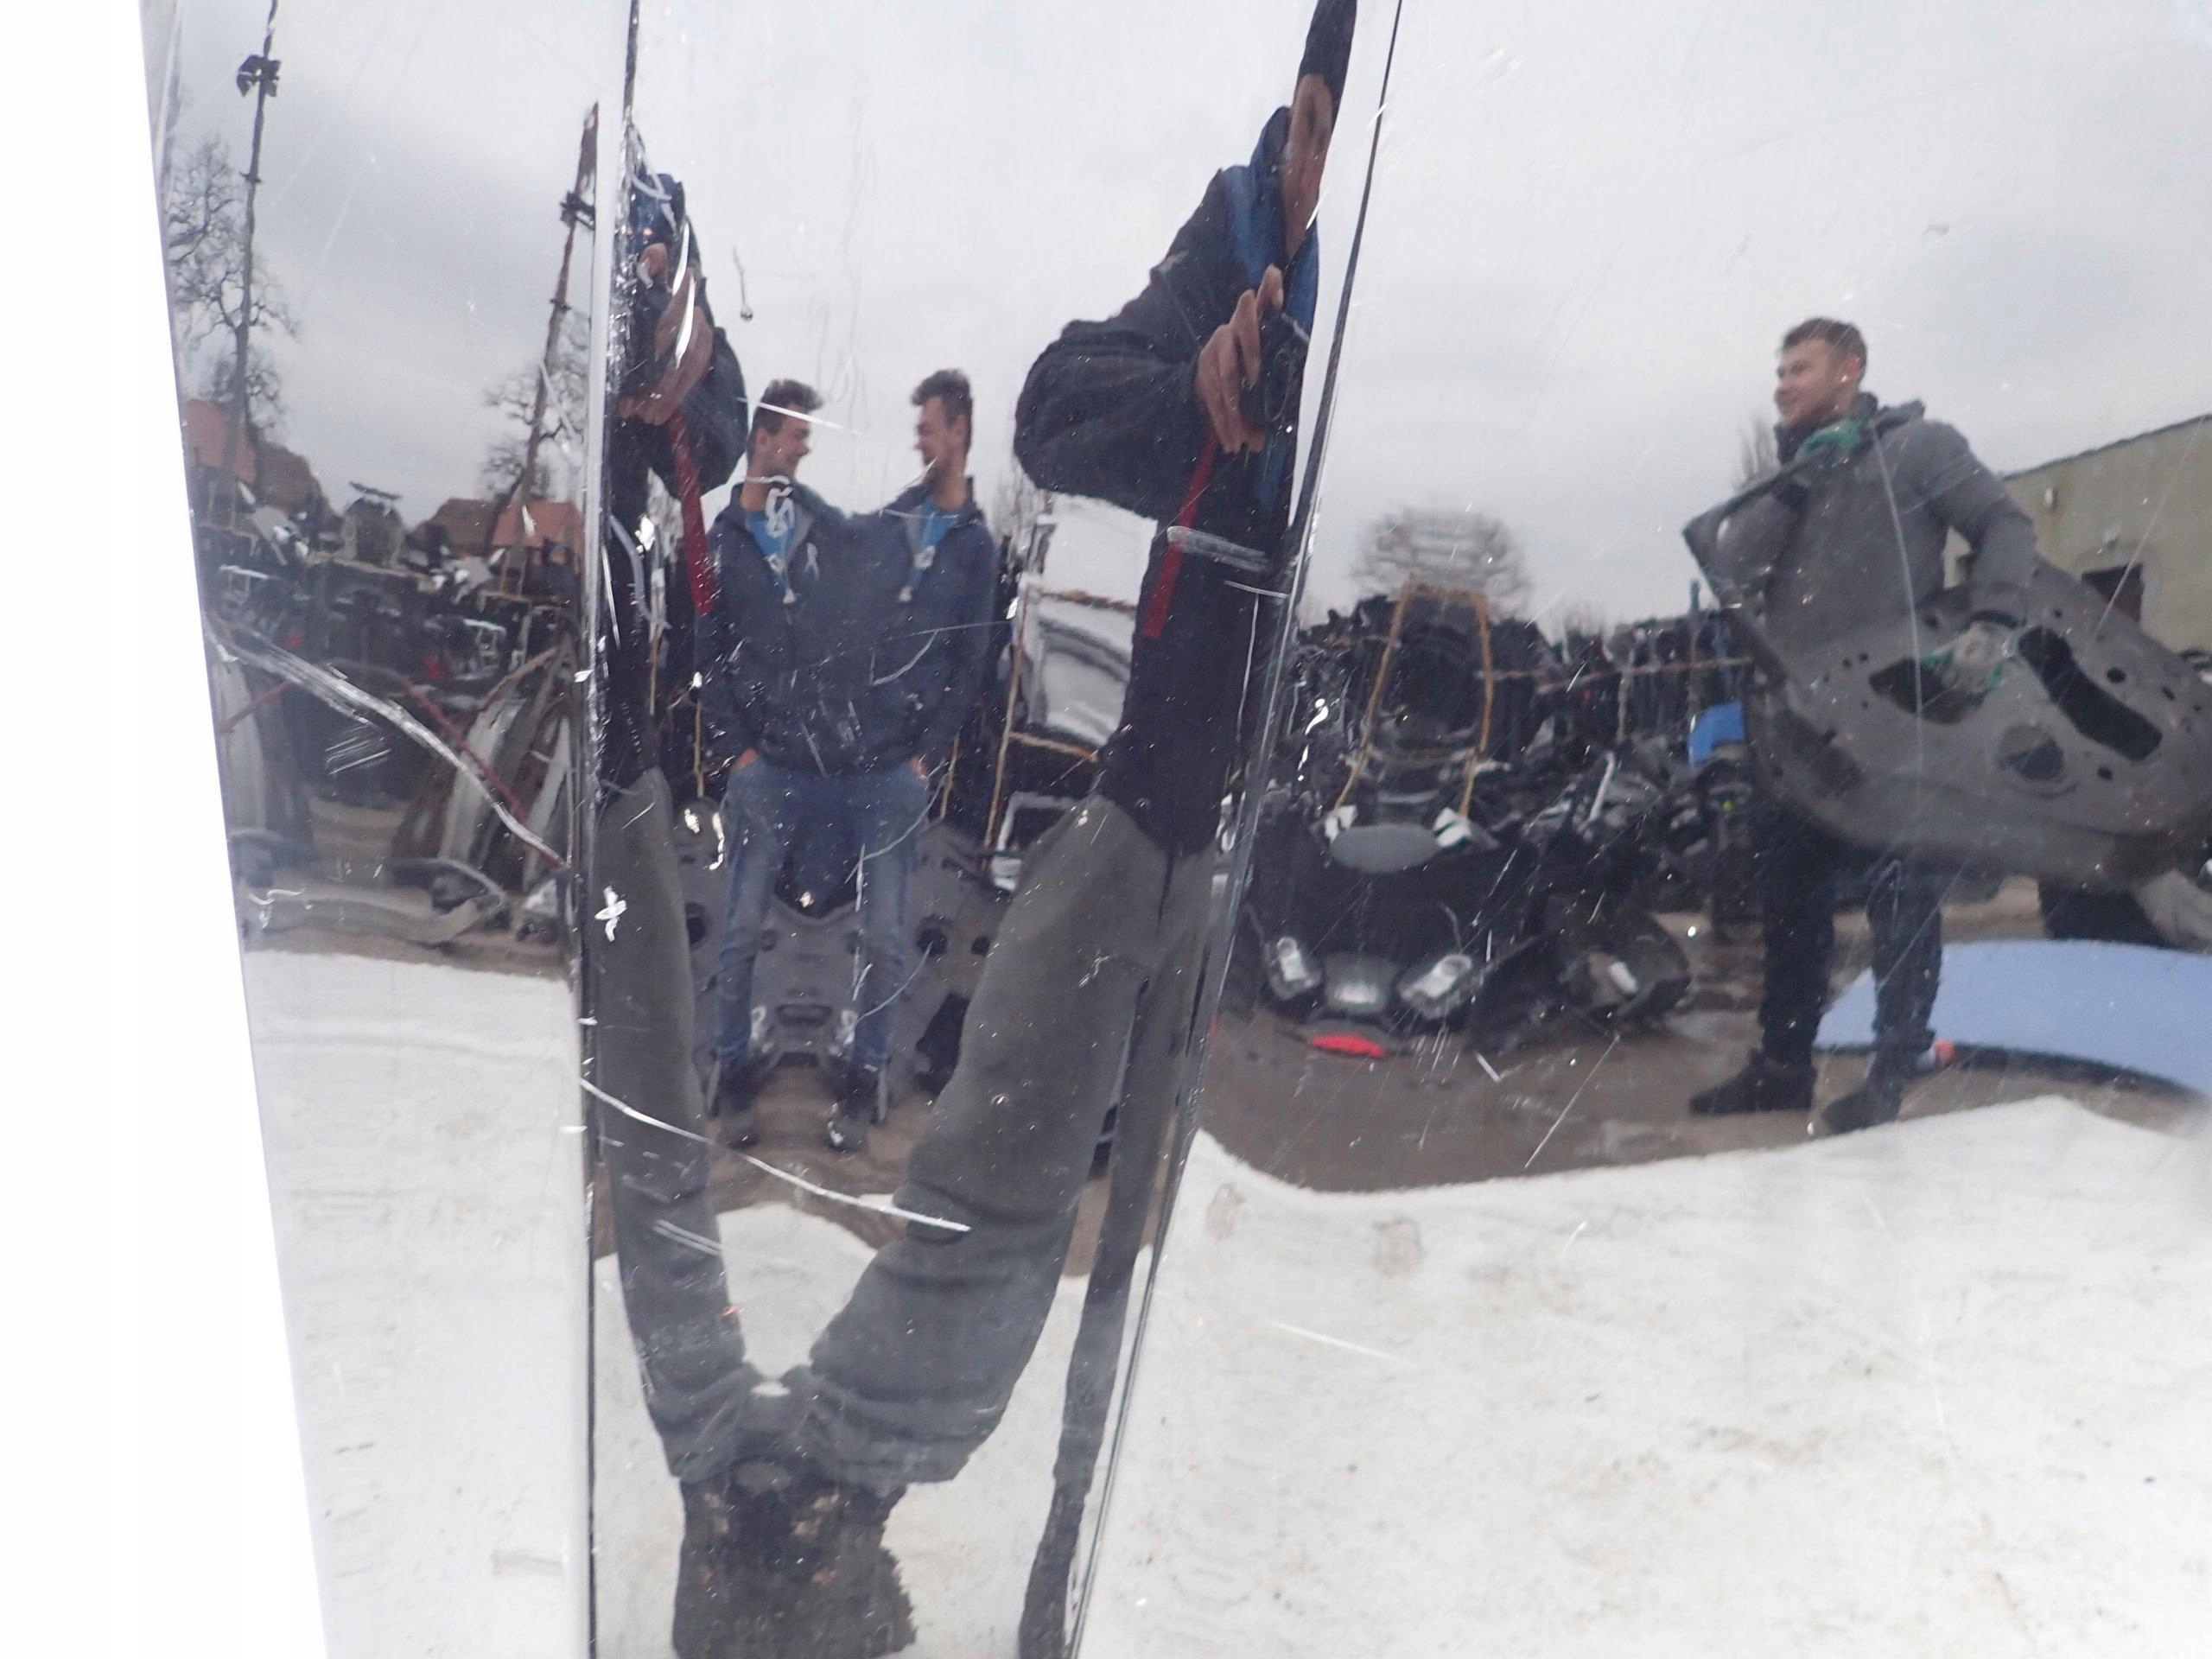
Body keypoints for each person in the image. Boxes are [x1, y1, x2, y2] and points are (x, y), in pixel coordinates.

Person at [675, 7, 1357, 1651]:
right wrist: (1195, 392)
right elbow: (1057, 405)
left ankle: (1099, 1580)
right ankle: (830, 1492)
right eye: (1311, 115)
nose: (1315, 147)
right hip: (1158, 791)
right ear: (1303, 113)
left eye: (1330, 124)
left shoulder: (1443, 272)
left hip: (1306, 820)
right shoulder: (1245, 241)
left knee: (1191, 1233)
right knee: (1002, 1151)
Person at [1684, 317, 2038, 1135]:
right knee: (1789, 903)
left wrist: (1992, 623)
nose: (1782, 385)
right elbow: (1733, 569)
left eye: (1799, 369)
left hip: (1893, 718)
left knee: (1900, 899)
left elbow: (2005, 524)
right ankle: (1782, 1067)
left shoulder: (1919, 449)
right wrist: (1798, 482)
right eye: (1779, 371)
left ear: (1850, 369)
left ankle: (1892, 1073)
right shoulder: (1787, 477)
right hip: (1797, 724)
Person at [702, 372, 997, 1154]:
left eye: (928, 427)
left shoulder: (972, 548)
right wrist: (737, 750)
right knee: (740, 932)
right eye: (797, 436)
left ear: (960, 431)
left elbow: (972, 663)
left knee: (886, 942)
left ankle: (864, 1084)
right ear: (764, 438)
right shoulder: (728, 538)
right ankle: (733, 1071)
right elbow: (705, 647)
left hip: (887, 775)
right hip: (773, 767)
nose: (919, 440)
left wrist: (925, 756)